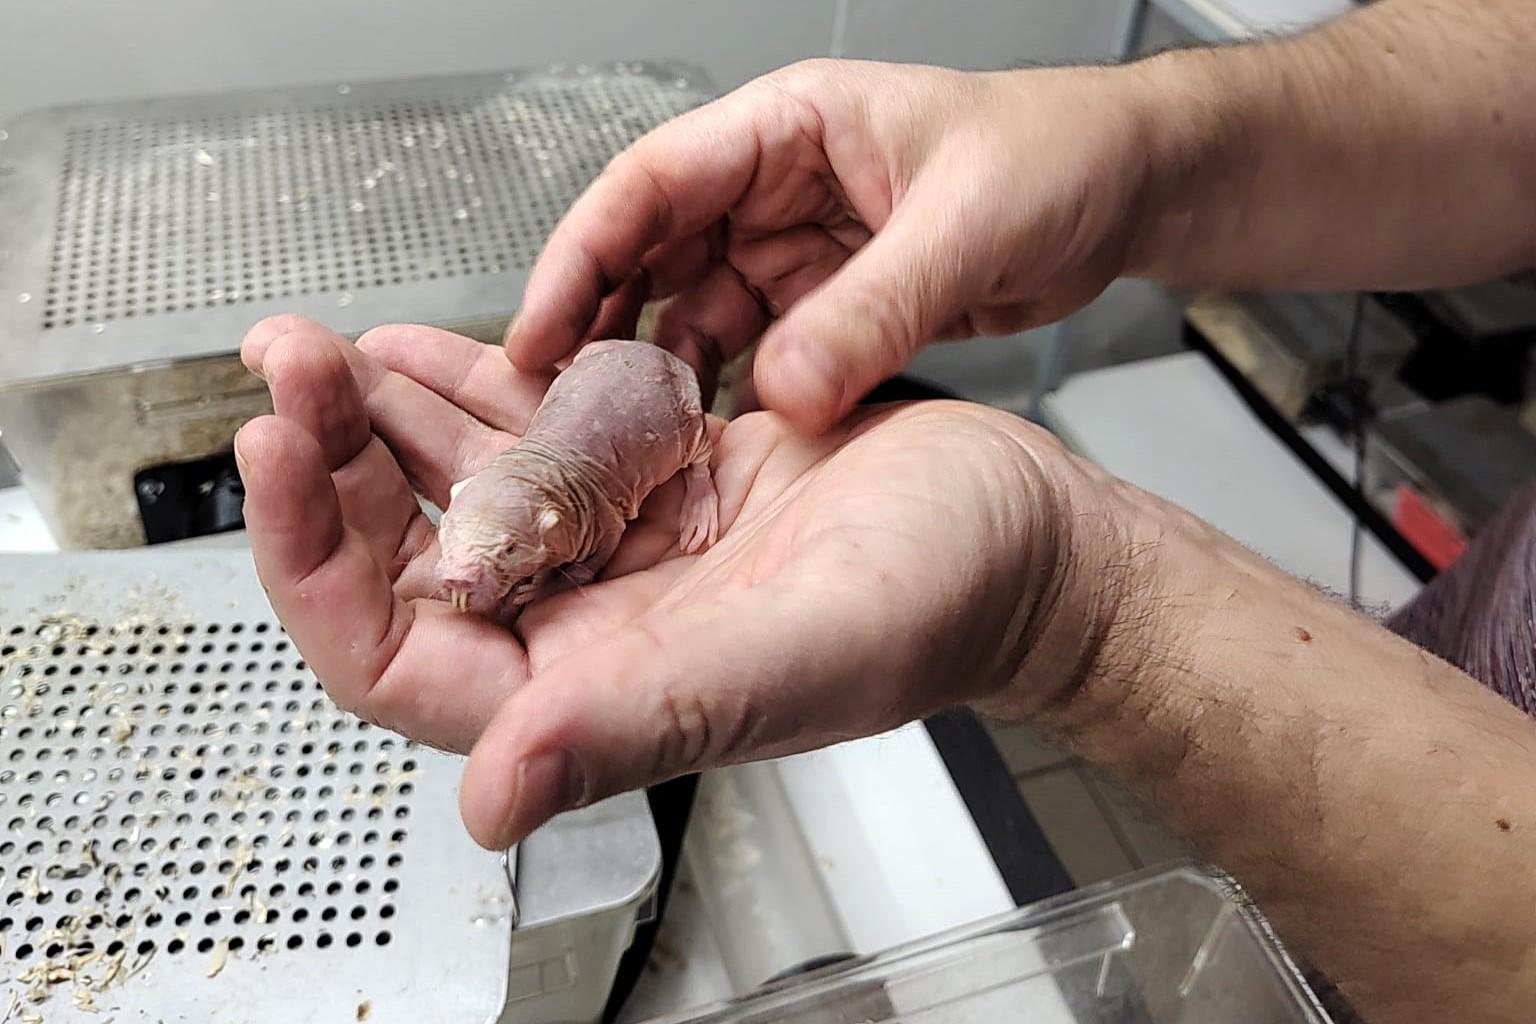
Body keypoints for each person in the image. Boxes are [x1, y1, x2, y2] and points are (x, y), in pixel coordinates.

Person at [232, 1, 1536, 1020]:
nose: (481, 578)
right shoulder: (531, 504)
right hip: (1429, 716)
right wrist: (1141, 139)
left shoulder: (580, 505)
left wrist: (1073, 612)